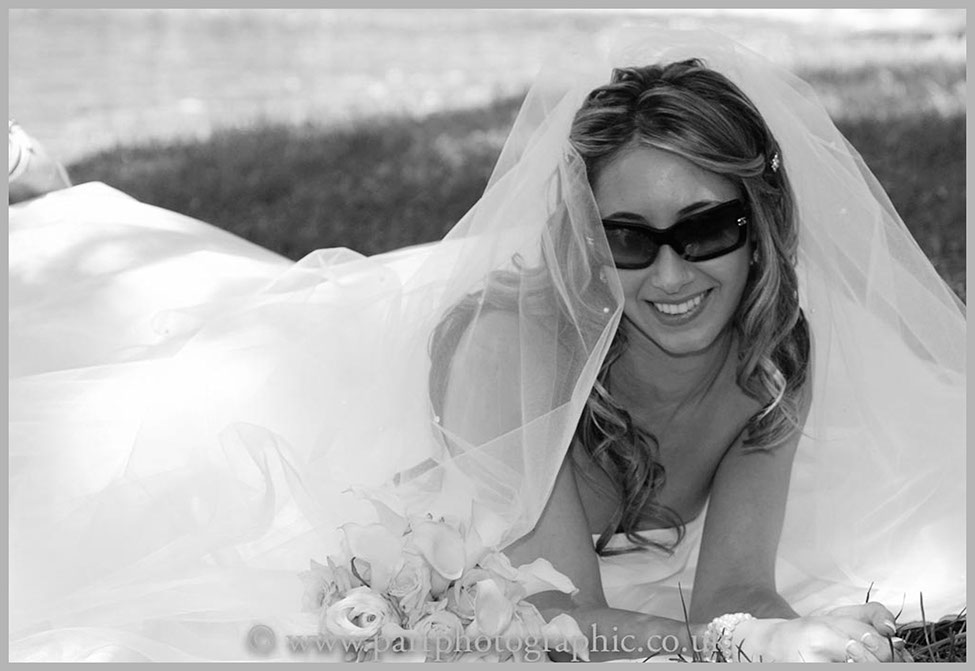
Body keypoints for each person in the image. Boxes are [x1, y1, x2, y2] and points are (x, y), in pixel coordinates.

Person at [8, 28, 963, 662]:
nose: (671, 277)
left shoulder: (768, 353)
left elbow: (737, 587)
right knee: (136, 328)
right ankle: (43, 203)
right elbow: (558, 614)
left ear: (757, 219)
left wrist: (778, 636)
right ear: (588, 238)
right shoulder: (521, 350)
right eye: (627, 238)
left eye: (706, 228)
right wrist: (734, 646)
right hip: (309, 398)